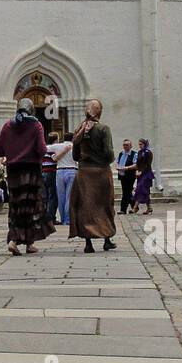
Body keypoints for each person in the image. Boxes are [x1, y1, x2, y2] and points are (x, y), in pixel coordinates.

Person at [0, 97, 56, 255]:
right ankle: (15, 241)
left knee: (17, 206)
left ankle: (29, 243)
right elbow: (42, 150)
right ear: (31, 110)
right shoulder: (36, 125)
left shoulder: (8, 126)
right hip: (31, 171)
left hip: (14, 172)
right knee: (32, 206)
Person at [68, 99, 117, 254]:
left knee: (86, 207)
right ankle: (107, 239)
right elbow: (109, 153)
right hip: (101, 173)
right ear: (100, 112)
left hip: (84, 174)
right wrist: (107, 160)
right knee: (104, 205)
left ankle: (88, 243)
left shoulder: (78, 130)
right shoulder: (103, 129)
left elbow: (75, 156)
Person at [53, 132, 76, 226]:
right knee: (69, 197)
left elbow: (46, 149)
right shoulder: (76, 146)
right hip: (72, 171)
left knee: (61, 197)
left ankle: (62, 218)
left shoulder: (58, 146)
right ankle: (67, 220)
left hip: (59, 171)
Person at [131, 139, 154, 215]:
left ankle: (135, 207)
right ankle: (149, 207)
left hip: (147, 174)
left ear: (145, 144)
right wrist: (137, 170)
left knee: (140, 189)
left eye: (141, 144)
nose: (140, 146)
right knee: (144, 191)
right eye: (139, 144)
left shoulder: (148, 153)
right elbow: (138, 163)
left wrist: (142, 171)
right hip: (140, 174)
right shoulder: (140, 152)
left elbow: (148, 164)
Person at [41, 132, 59, 225]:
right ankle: (51, 218)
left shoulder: (44, 149)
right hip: (51, 172)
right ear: (55, 140)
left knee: (46, 196)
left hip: (44, 172)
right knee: (53, 196)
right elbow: (55, 159)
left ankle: (45, 216)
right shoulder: (52, 149)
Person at [116, 140, 138, 214]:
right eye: (124, 145)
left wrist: (126, 168)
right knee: (128, 192)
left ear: (131, 146)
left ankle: (123, 209)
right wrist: (117, 167)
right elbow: (117, 162)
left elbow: (136, 165)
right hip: (122, 175)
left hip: (130, 175)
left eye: (127, 145)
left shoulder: (134, 154)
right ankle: (134, 207)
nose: (125, 146)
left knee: (126, 193)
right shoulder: (121, 154)